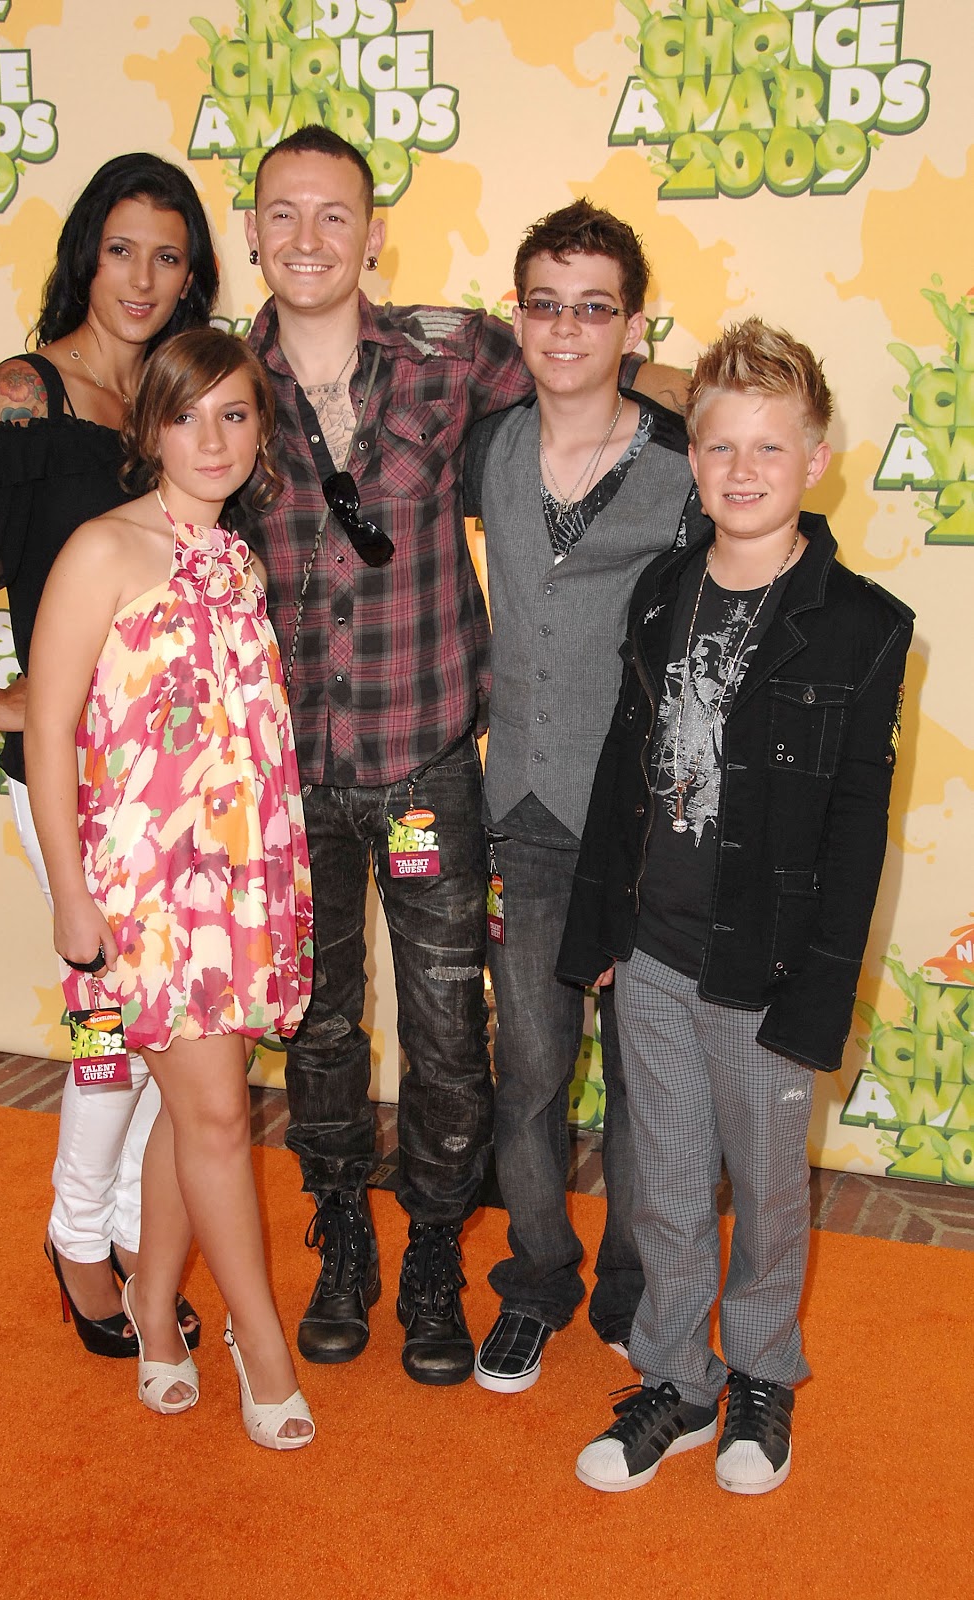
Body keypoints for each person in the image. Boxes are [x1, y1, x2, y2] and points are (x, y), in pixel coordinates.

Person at [240, 126, 689, 1385]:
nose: (311, 238)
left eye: (337, 216)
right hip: (289, 782)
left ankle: (439, 1250)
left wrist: (745, 412)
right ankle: (344, 1242)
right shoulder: (219, 379)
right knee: (322, 1032)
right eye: (287, 214)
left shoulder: (453, 358)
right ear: (256, 228)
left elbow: (592, 372)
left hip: (434, 765)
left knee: (452, 1033)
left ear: (374, 233)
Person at [0, 153, 219, 1357]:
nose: (143, 276)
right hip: (72, 782)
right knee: (109, 1025)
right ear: (85, 252)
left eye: (168, 254)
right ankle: (80, 1244)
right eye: (122, 247)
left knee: (152, 1027)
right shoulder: (32, 391)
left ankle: (126, 1233)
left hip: (178, 782)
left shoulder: (180, 397)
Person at [558, 319, 914, 1493]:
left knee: (765, 1190)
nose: (744, 469)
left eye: (771, 446)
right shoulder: (663, 589)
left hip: (765, 969)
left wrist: (821, 995)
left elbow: (857, 830)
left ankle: (761, 1369)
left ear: (816, 459)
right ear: (693, 460)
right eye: (720, 447)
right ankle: (678, 1374)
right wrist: (599, 929)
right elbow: (624, 767)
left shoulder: (863, 625)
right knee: (659, 1182)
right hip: (654, 948)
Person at [25, 328, 315, 1444]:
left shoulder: (235, 556)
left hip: (239, 888)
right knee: (219, 1116)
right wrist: (70, 895)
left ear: (259, 432)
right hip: (145, 894)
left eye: (235, 415)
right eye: (188, 415)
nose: (212, 438)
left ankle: (153, 1312)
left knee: (199, 1111)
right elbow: (51, 731)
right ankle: (264, 1347)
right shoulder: (102, 549)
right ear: (147, 426)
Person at [463, 200, 703, 1394]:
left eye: (593, 307)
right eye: (546, 304)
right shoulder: (488, 446)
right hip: (526, 818)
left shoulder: (686, 463)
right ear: (520, 317)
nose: (567, 328)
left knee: (653, 1083)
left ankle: (632, 1286)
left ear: (633, 324)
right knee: (534, 1076)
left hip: (653, 827)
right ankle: (539, 1281)